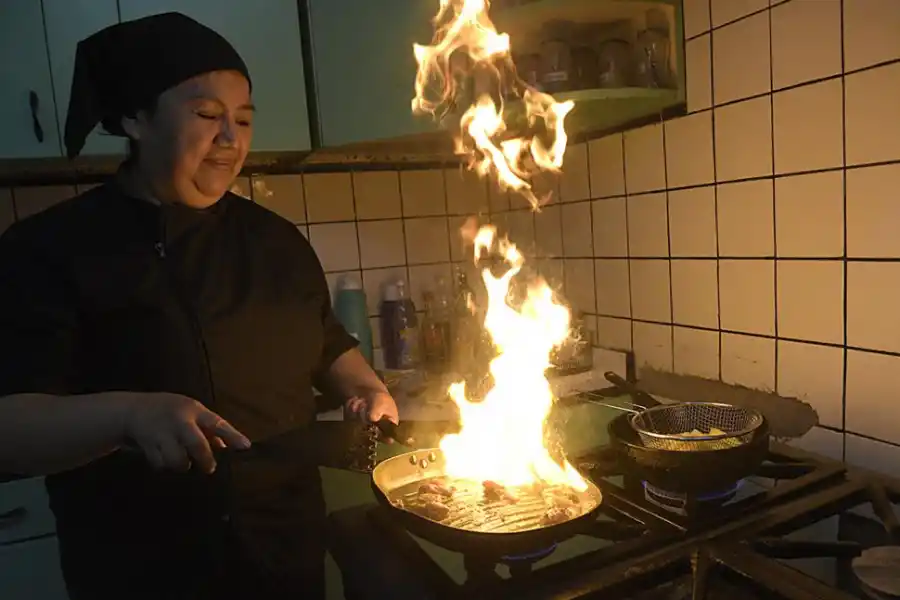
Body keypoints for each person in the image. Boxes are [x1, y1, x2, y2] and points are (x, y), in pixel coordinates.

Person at [0, 12, 398, 600]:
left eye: (243, 119)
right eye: (208, 116)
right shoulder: (45, 251)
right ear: (134, 119)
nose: (232, 140)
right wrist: (128, 415)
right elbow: (9, 427)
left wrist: (365, 387)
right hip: (139, 567)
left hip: (284, 553)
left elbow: (326, 340)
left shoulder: (276, 240)